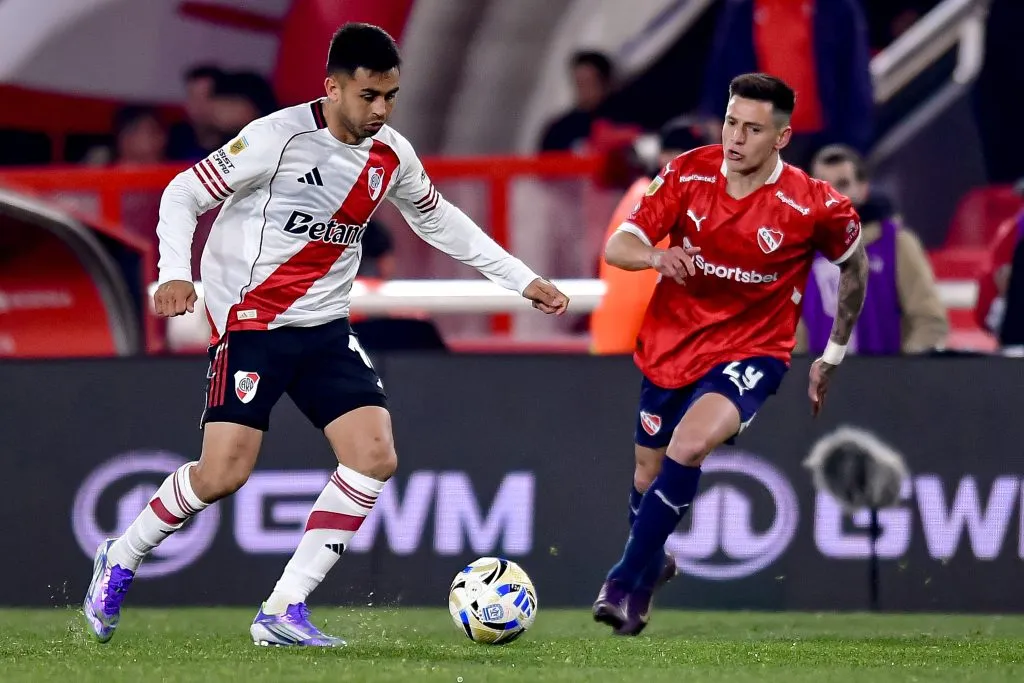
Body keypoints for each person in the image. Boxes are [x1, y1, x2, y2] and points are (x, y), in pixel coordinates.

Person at [82, 22, 569, 648]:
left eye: (391, 96)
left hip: (324, 327)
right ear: (331, 87)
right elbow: (182, 194)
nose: (382, 110)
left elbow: (440, 221)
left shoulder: (392, 154)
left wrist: (521, 279)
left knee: (373, 456)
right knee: (222, 474)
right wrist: (173, 274)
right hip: (252, 323)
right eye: (368, 96)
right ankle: (119, 556)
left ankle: (282, 611)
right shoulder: (273, 138)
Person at [592, 73, 869, 636]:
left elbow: (854, 268)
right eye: (731, 122)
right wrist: (654, 259)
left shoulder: (813, 205)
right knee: (647, 475)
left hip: (754, 351)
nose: (736, 138)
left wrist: (832, 352)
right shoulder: (687, 173)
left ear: (782, 138)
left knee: (690, 444)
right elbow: (618, 244)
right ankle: (650, 566)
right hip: (672, 344)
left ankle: (621, 580)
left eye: (753, 129)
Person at [798, 144, 948, 354]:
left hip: (885, 382)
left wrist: (904, 375)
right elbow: (794, 333)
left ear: (863, 189)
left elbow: (929, 320)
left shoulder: (896, 243)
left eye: (842, 184)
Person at [539, 51, 615, 152]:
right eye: (579, 82)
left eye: (588, 82)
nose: (583, 89)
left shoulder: (620, 121)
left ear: (605, 82)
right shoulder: (560, 129)